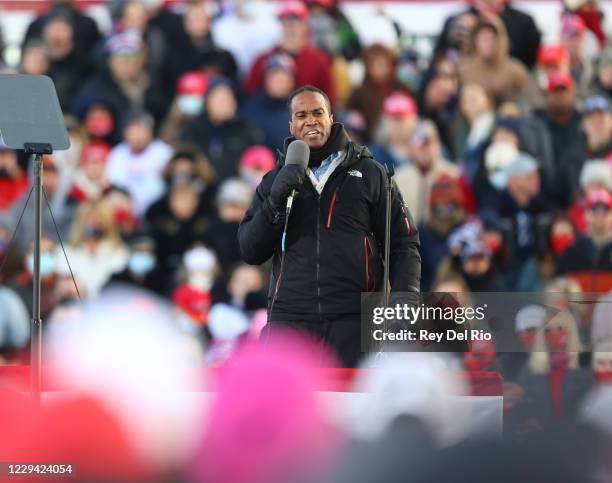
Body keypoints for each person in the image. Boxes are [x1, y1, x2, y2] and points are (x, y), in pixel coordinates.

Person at [238, 85, 421, 367]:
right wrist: (275, 201)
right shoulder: (274, 180)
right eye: (301, 115)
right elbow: (250, 249)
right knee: (291, 412)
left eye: (317, 112)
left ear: (331, 117)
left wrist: (404, 300)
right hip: (290, 322)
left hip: (354, 320)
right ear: (291, 125)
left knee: (352, 411)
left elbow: (403, 243)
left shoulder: (371, 172)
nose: (310, 120)